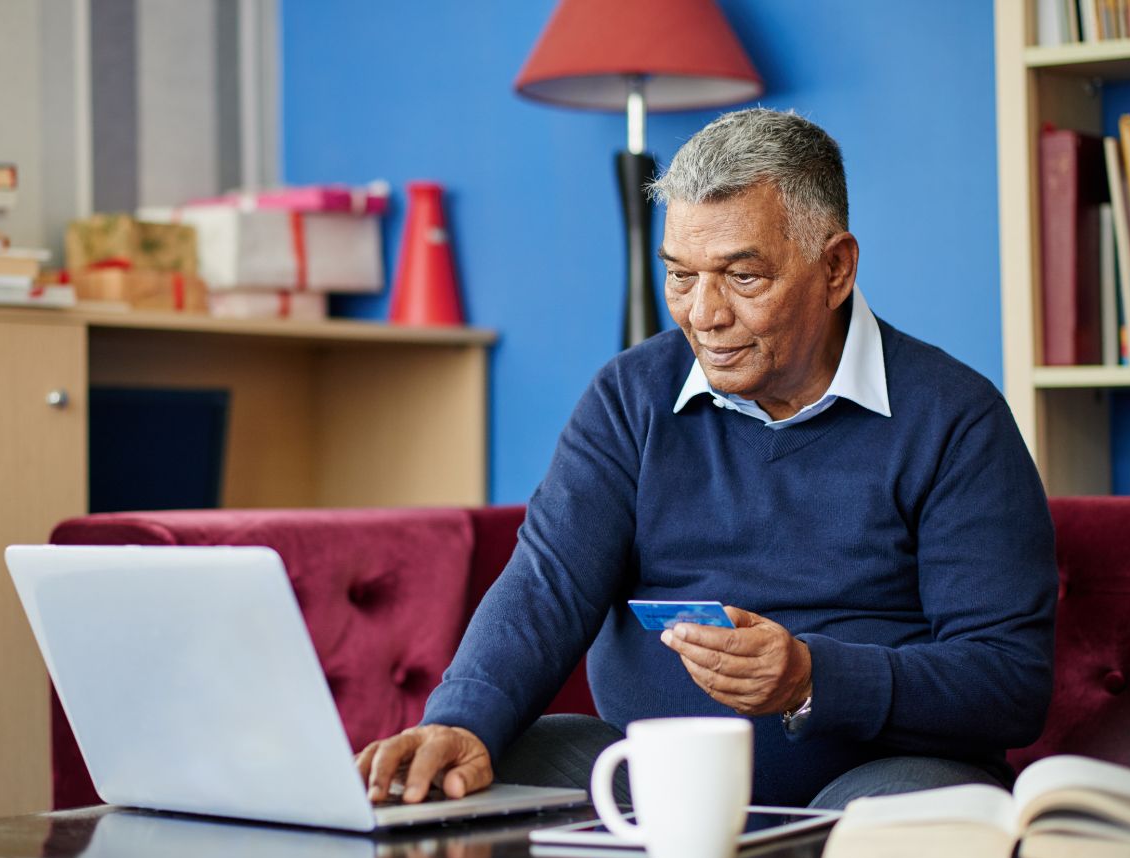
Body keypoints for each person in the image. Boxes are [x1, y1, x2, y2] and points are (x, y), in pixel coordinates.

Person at [355, 108, 1057, 810]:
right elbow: (548, 585)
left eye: (743, 277)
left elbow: (1008, 680)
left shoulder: (956, 419)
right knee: (470, 779)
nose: (704, 315)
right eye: (681, 276)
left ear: (836, 268)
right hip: (653, 772)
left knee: (889, 826)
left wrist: (811, 680)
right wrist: (460, 718)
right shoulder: (630, 396)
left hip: (885, 774)